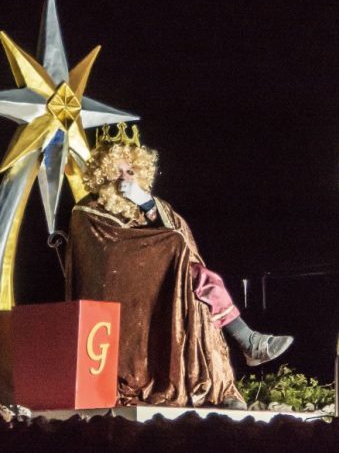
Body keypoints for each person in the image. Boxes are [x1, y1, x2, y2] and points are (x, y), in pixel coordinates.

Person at [66, 123, 293, 408]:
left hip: (161, 284)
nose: (124, 178)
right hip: (119, 293)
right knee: (194, 275)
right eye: (117, 171)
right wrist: (162, 248)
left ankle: (217, 387)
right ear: (103, 172)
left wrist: (148, 206)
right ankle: (248, 341)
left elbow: (182, 239)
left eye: (130, 172)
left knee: (197, 293)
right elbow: (105, 259)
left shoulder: (148, 202)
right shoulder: (87, 211)